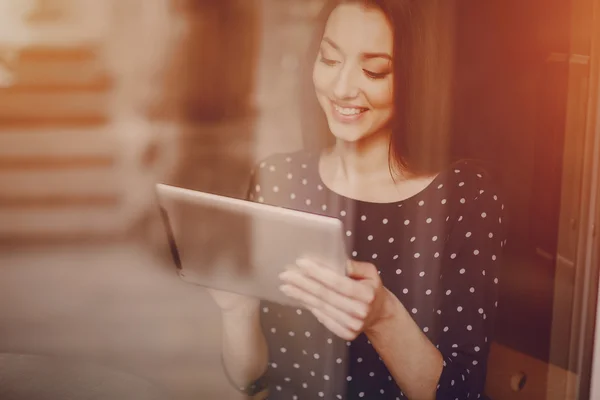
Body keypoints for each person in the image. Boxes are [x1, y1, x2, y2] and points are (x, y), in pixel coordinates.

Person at [210, 0, 506, 399]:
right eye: (329, 60)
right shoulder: (278, 178)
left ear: (414, 77)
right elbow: (253, 381)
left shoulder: (464, 197)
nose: (342, 87)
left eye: (374, 70)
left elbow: (462, 393)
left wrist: (382, 317)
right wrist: (236, 310)